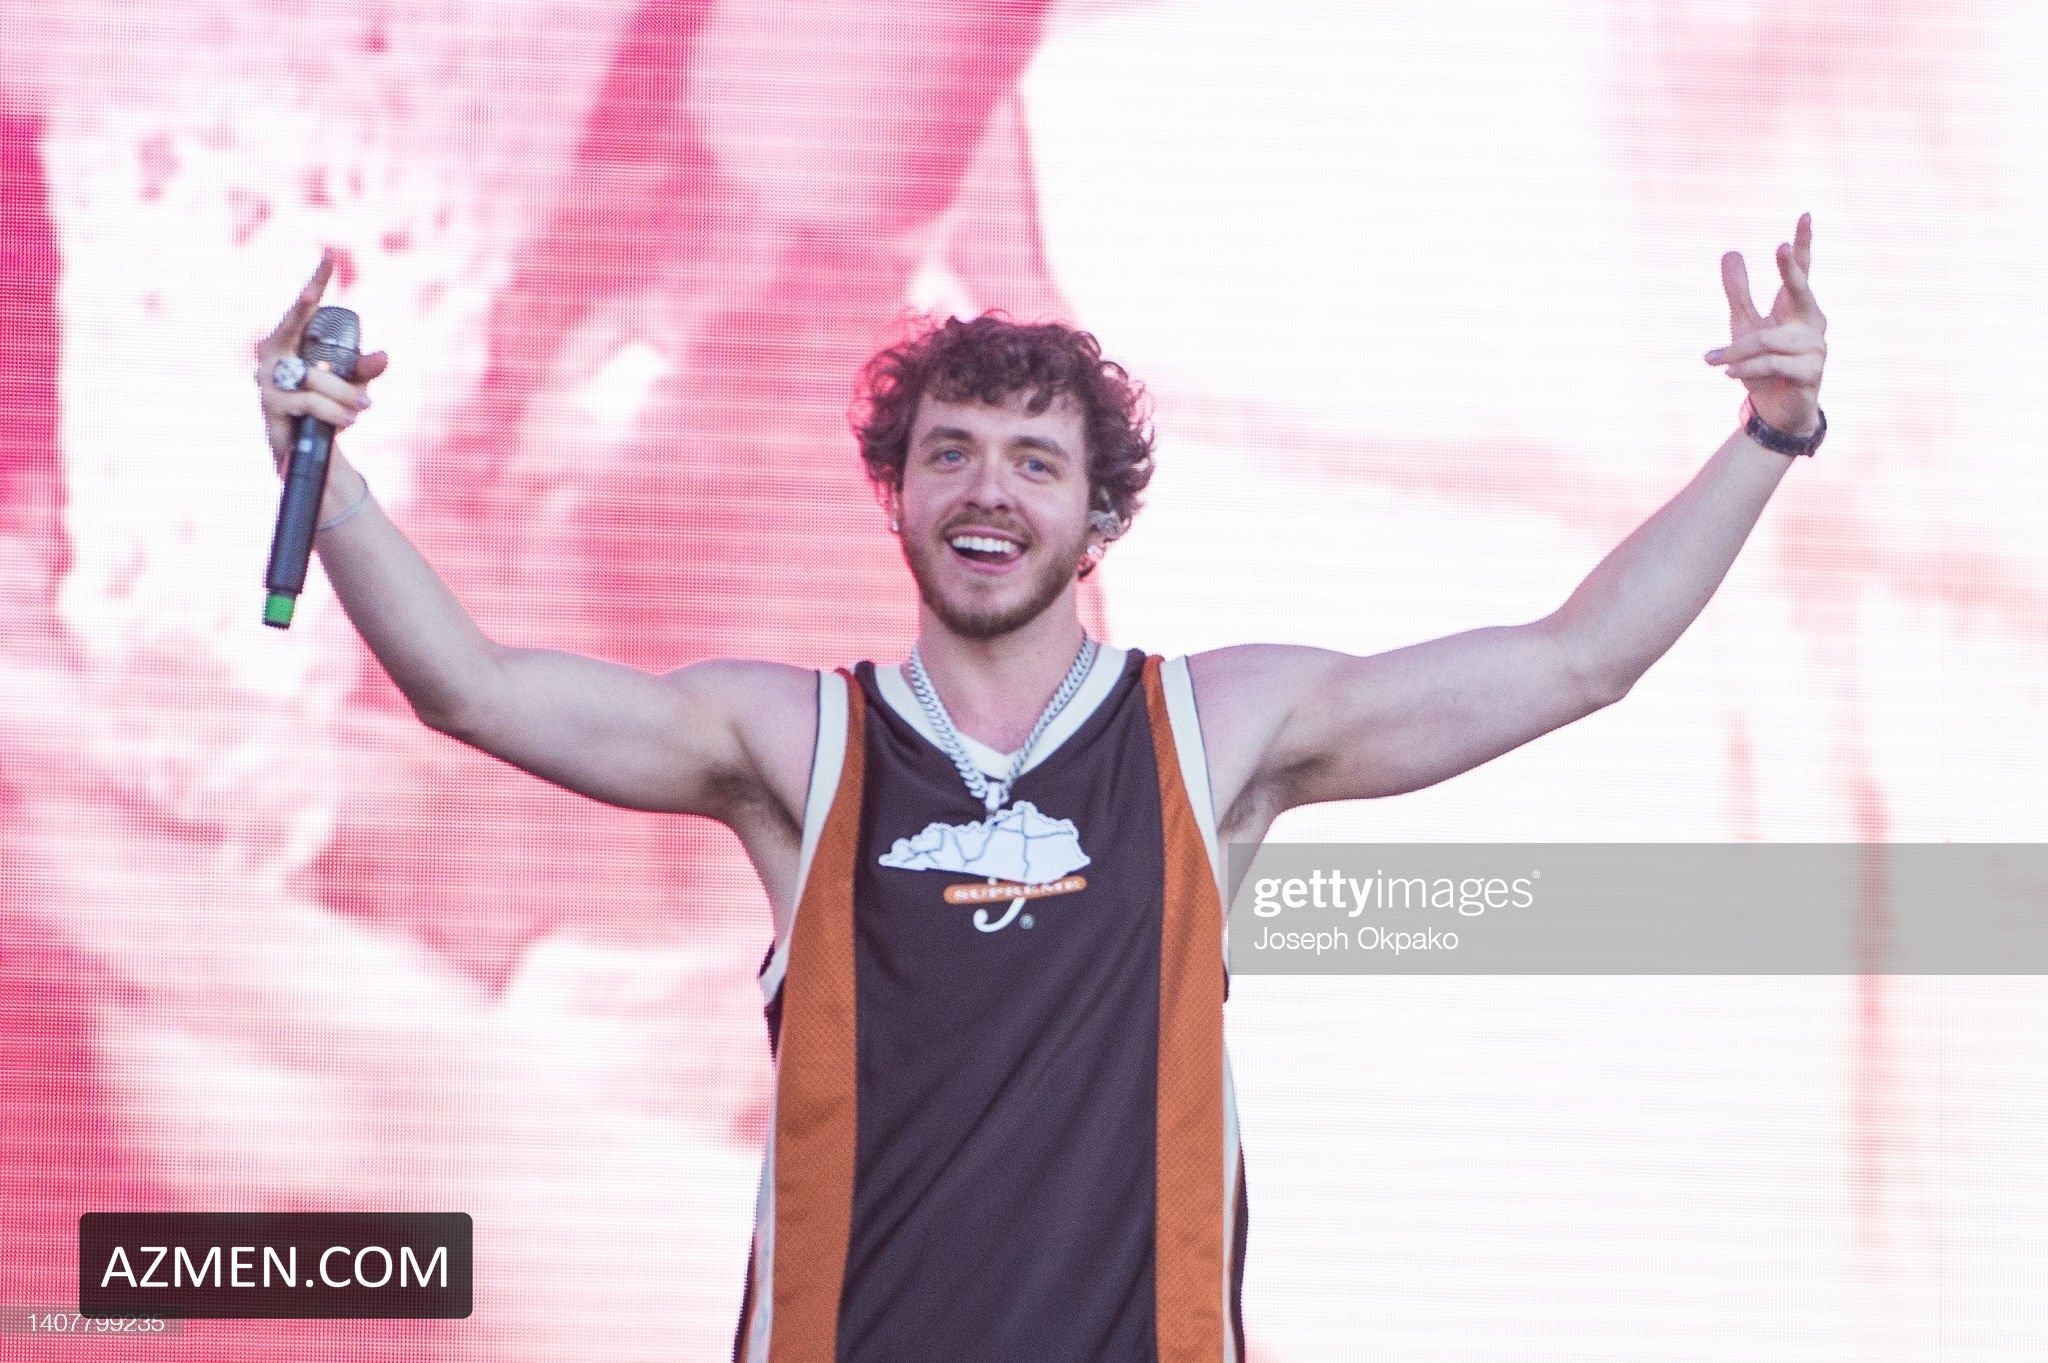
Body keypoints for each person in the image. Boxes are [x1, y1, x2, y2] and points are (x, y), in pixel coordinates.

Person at [254, 214, 1828, 1363]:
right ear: (897, 496)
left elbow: (1577, 660)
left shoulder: (1216, 730)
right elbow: (473, 688)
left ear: (1099, 521)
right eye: (949, 454)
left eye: (1034, 460)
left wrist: (1771, 435)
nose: (988, 488)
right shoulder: (793, 743)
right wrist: (329, 485)